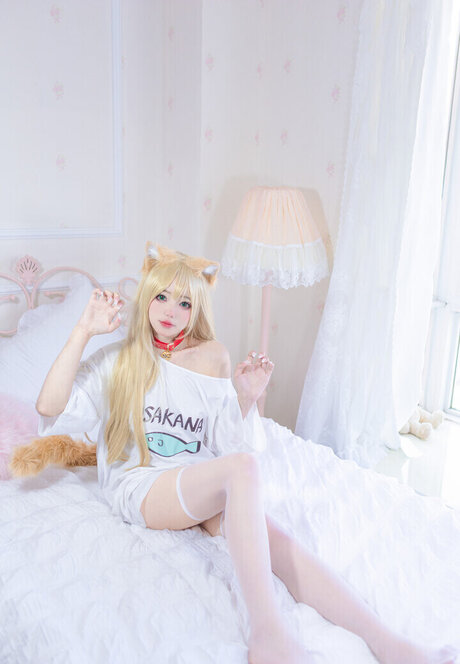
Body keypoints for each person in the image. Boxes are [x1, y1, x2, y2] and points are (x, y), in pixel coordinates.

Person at [36, 243, 457, 664]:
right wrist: (83, 331)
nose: (170, 311)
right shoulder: (119, 360)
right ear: (146, 296)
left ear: (196, 310)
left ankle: (388, 642)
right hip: (142, 485)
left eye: (184, 303)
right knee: (243, 469)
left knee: (276, 539)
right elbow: (48, 406)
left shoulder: (212, 357)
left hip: (193, 477)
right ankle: (267, 632)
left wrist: (246, 397)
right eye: (161, 296)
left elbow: (222, 441)